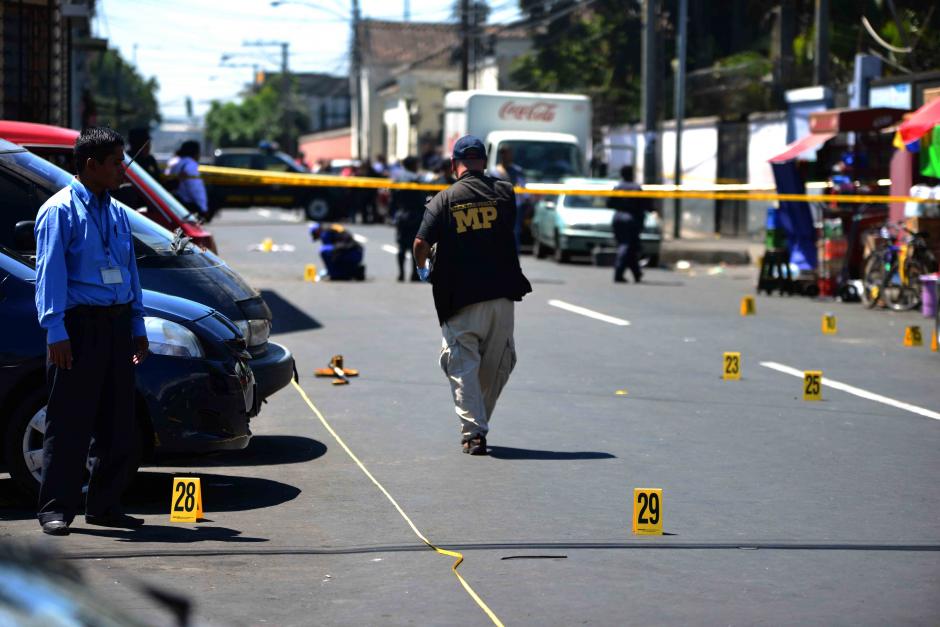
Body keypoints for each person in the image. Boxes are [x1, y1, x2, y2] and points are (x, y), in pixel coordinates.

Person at [33, 126, 150, 536]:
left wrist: (137, 323)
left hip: (117, 324)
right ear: (90, 165)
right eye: (116, 163)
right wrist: (56, 331)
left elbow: (131, 273)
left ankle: (104, 504)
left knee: (118, 422)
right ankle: (56, 508)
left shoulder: (117, 212)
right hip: (79, 326)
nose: (123, 170)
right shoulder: (59, 210)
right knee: (69, 421)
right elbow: (49, 274)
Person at [413, 135, 532, 455]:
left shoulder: (443, 199)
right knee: (496, 366)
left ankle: (474, 431)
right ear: (484, 161)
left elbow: (420, 245)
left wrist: (423, 270)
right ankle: (477, 425)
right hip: (501, 297)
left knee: (462, 365)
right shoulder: (506, 194)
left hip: (459, 299)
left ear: (454, 165)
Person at [610, 165, 650, 283]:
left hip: (618, 219)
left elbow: (610, 203)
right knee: (627, 246)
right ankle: (618, 272)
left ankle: (636, 274)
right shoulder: (636, 188)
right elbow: (645, 205)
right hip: (632, 220)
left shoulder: (618, 187)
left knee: (630, 247)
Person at [391, 156, 426, 282]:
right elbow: (423, 199)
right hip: (416, 215)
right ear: (413, 165)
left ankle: (401, 273)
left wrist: (393, 214)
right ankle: (414, 274)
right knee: (414, 246)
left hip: (401, 215)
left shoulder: (397, 179)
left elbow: (392, 199)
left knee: (401, 246)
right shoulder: (417, 178)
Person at [490, 147, 528, 249]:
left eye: (509, 154)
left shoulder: (517, 171)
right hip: (499, 206)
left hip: (515, 206)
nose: (507, 156)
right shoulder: (495, 172)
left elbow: (523, 189)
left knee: (515, 233)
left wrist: (526, 202)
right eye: (505, 154)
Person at [165, 140, 209, 220]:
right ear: (195, 153)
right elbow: (195, 189)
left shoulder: (175, 163)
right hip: (189, 207)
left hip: (176, 205)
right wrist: (203, 208)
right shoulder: (191, 165)